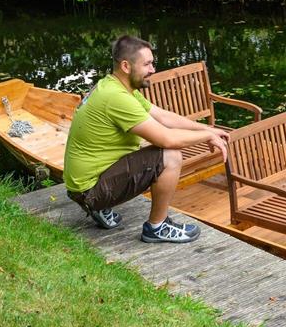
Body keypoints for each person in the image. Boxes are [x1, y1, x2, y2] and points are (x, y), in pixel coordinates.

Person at [63, 35, 228, 243]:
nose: (152, 70)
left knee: (154, 150)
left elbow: (162, 116)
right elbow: (167, 140)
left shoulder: (114, 85)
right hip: (89, 190)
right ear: (126, 66)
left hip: (82, 185)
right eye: (147, 64)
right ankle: (157, 227)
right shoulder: (117, 98)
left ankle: (99, 206)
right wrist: (205, 136)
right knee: (170, 156)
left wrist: (207, 128)